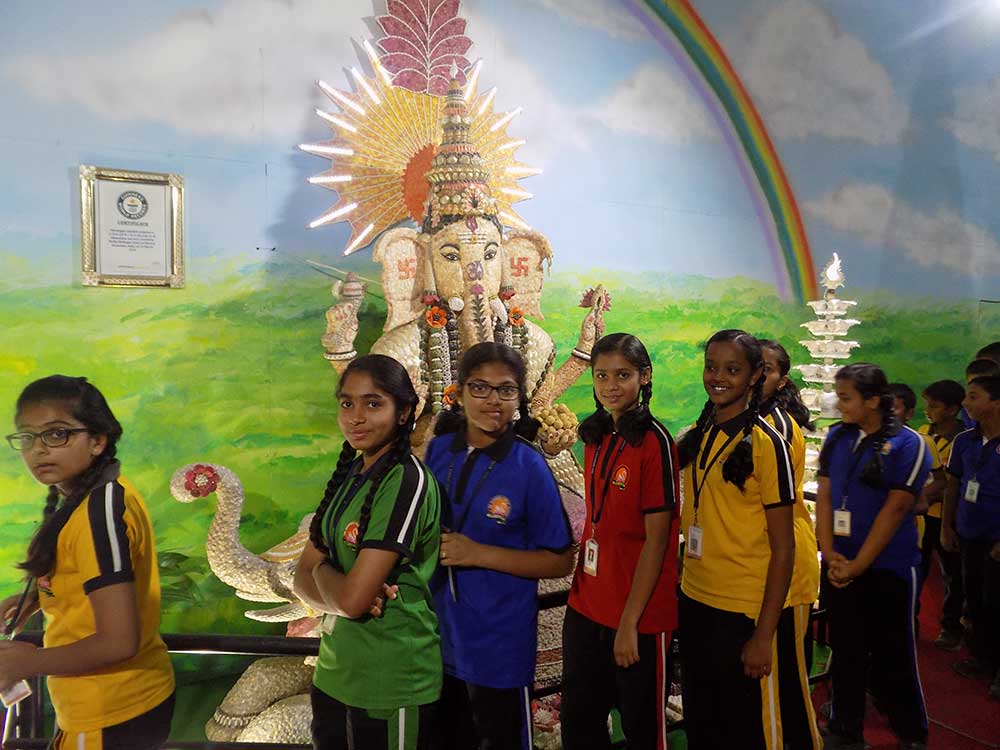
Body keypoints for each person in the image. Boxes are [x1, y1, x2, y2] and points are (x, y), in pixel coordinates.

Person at [0, 375, 175, 750]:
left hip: (112, 710)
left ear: (97, 440)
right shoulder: (97, 495)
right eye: (28, 437)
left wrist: (28, 662)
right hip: (107, 707)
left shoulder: (100, 511)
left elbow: (119, 641)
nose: (39, 450)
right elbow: (86, 579)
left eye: (57, 434)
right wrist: (39, 598)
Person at [423, 342, 575, 750]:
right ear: (460, 392)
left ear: (518, 397)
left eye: (506, 389)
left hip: (498, 647)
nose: (493, 400)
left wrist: (478, 554)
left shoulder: (529, 467)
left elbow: (561, 561)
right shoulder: (440, 450)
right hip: (436, 640)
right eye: (480, 387)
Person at [293, 354, 442, 750]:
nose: (356, 417)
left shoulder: (406, 481)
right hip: (333, 673)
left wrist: (325, 574)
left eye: (373, 403)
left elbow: (349, 598)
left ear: (404, 411)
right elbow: (300, 578)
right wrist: (338, 587)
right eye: (347, 403)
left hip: (388, 680)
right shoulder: (350, 474)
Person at [678, 330, 817, 750]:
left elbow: (784, 546)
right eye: (711, 367)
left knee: (751, 727)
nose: (718, 377)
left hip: (746, 606)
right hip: (698, 595)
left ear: (755, 375)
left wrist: (763, 635)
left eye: (732, 369)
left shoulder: (768, 442)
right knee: (706, 718)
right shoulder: (702, 431)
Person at [561, 333, 679, 750]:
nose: (610, 386)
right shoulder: (596, 437)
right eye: (602, 376)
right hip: (587, 606)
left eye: (623, 375)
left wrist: (629, 623)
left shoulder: (655, 443)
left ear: (644, 376)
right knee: (579, 723)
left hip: (638, 616)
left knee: (642, 729)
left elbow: (657, 542)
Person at [816, 364, 932, 750]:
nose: (839, 405)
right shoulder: (837, 436)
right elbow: (825, 496)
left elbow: (896, 509)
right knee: (846, 649)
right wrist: (830, 553)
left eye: (846, 398)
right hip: (839, 563)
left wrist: (858, 565)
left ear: (872, 401)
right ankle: (845, 728)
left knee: (893, 652)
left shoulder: (909, 444)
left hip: (888, 567)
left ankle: (911, 731)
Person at [759, 339, 822, 743]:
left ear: (782, 380)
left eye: (765, 369)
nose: (754, 375)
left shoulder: (776, 429)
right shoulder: (747, 420)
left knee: (785, 680)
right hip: (761, 566)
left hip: (787, 567)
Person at [941, 374, 1000, 701]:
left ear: (996, 402)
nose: (966, 403)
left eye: (974, 396)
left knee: (997, 601)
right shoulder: (965, 440)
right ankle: (980, 656)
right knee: (974, 596)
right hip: (968, 532)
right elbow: (953, 485)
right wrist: (947, 527)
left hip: (996, 538)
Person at [916, 380, 966, 650]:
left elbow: (952, 483)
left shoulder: (962, 439)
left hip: (946, 516)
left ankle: (951, 627)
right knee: (918, 569)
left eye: (934, 406)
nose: (927, 410)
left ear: (952, 409)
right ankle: (910, 621)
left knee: (952, 575)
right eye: (927, 404)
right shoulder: (923, 434)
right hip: (921, 517)